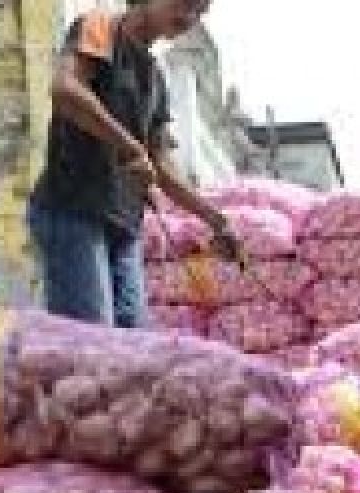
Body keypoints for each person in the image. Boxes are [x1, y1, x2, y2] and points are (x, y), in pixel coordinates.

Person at [28, 0, 240, 329]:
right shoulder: (99, 28)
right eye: (185, 4)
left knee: (135, 343)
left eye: (199, 12)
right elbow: (66, 89)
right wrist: (128, 147)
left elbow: (162, 165)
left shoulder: (155, 79)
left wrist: (214, 219)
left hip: (125, 226)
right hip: (73, 211)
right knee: (94, 343)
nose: (189, 18)